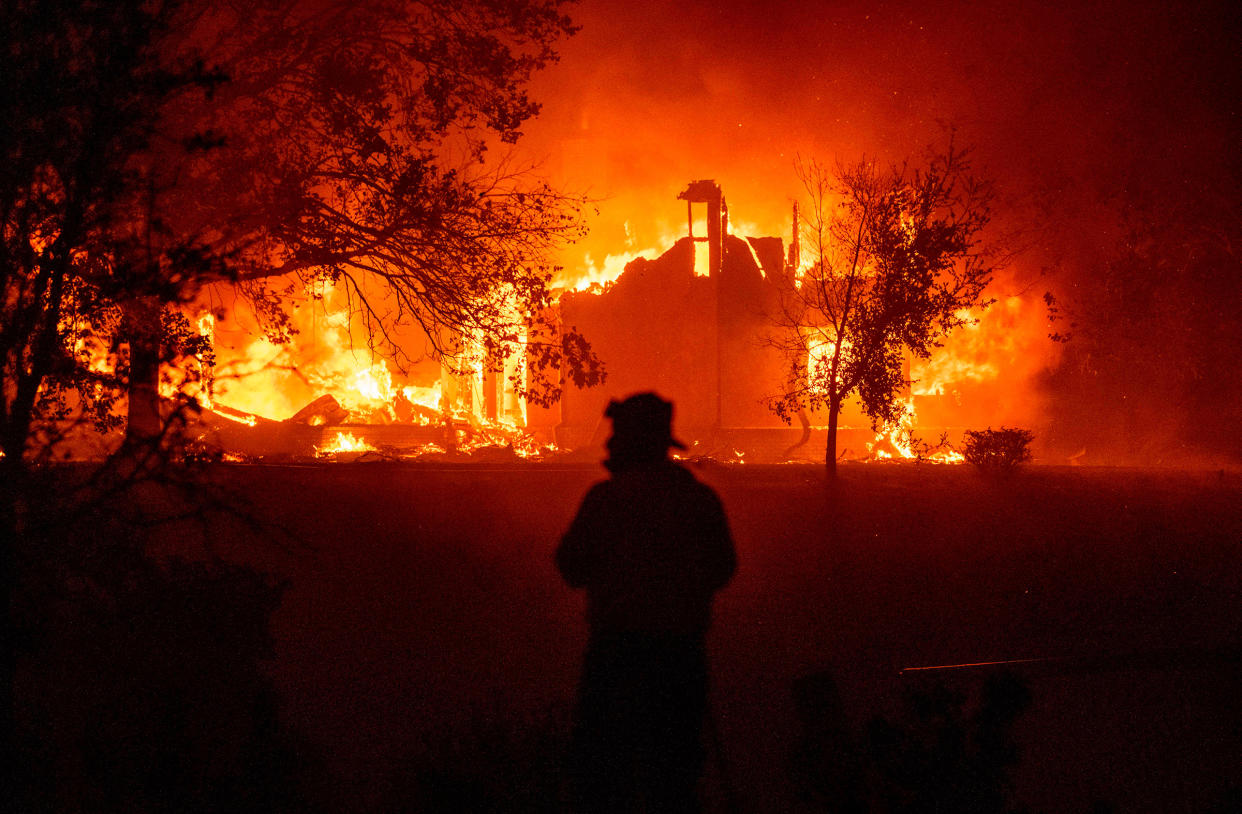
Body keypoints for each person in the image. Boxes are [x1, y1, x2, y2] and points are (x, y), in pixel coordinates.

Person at [557, 392, 736, 813]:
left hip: (615, 658)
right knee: (672, 779)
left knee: (605, 778)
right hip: (679, 658)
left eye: (617, 436)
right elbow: (723, 568)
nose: (609, 444)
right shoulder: (698, 501)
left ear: (631, 443)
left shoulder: (606, 500)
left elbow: (570, 567)